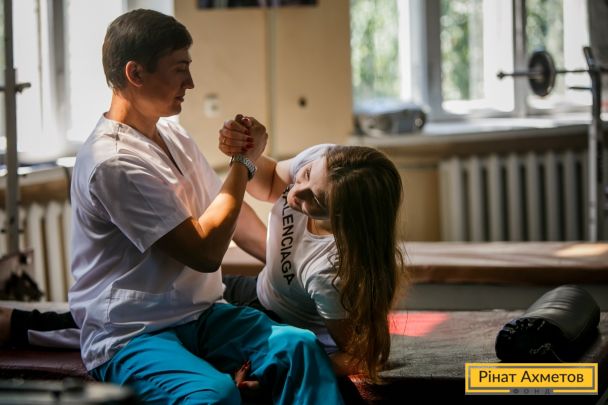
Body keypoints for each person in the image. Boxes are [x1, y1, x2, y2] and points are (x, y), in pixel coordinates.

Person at [7, 8, 345, 405]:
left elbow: (230, 215)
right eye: (180, 69)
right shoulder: (112, 162)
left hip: (202, 315)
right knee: (214, 395)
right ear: (136, 73)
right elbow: (205, 251)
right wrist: (243, 161)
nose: (191, 82)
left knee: (298, 348)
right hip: (134, 333)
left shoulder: (173, 136)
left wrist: (293, 272)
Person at [1, 136, 407, 382]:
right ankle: (16, 322)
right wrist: (248, 148)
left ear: (344, 220)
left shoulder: (330, 273)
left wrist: (278, 369)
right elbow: (268, 181)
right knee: (160, 301)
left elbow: (361, 353)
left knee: (144, 325)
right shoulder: (322, 160)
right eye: (302, 179)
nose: (294, 194)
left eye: (313, 200)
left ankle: (15, 324)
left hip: (275, 320)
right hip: (255, 291)